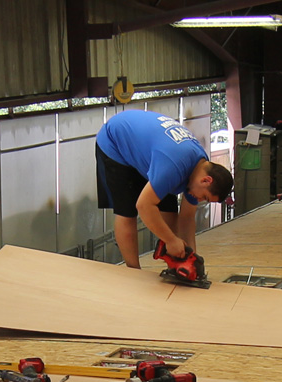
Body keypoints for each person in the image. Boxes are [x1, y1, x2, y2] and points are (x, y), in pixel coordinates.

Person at [95, 110, 233, 269]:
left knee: (169, 211)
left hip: (149, 151)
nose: (200, 200)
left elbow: (186, 218)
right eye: (205, 197)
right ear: (206, 180)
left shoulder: (201, 167)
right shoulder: (173, 166)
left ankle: (175, 263)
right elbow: (144, 206)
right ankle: (133, 271)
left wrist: (191, 258)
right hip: (115, 143)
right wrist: (171, 241)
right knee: (127, 211)